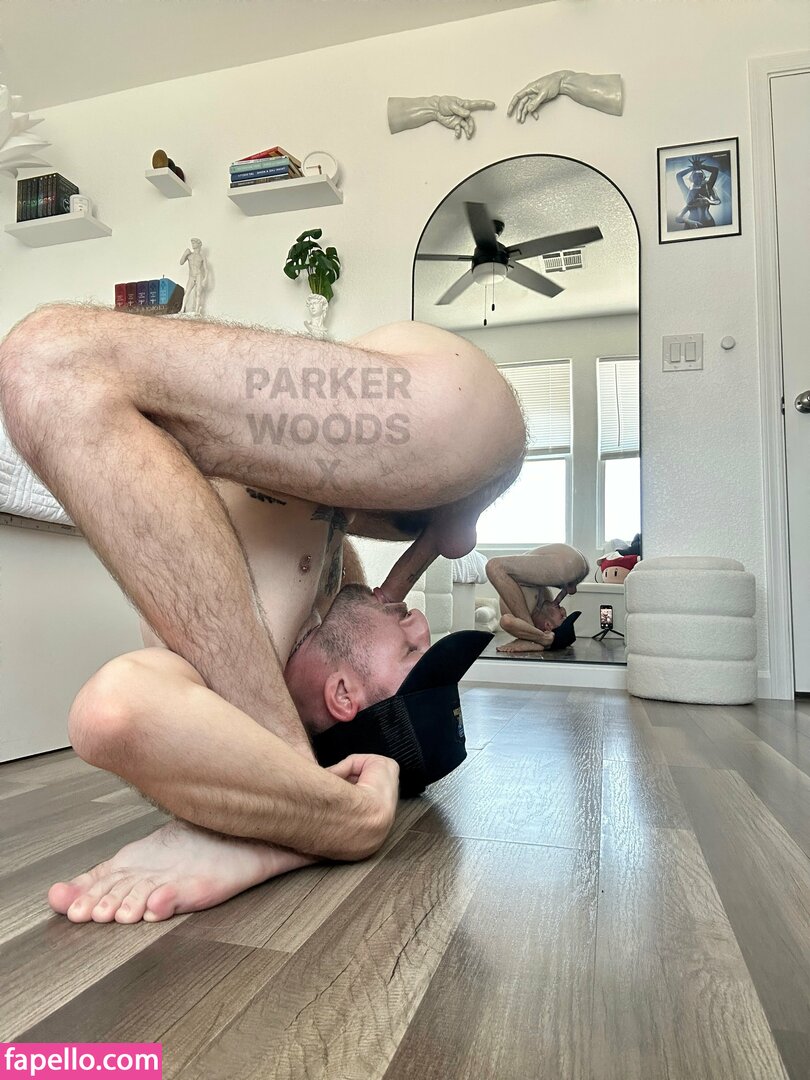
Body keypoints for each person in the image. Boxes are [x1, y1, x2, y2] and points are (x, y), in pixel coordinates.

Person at [0, 306, 526, 922]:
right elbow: (444, 542)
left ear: (342, 695)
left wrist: (302, 786)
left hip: (448, 418)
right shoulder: (332, 595)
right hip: (449, 430)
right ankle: (297, 817)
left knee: (49, 362)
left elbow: (110, 710)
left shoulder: (234, 656)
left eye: (412, 651)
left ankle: (329, 820)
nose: (417, 621)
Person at [485, 543, 589, 654]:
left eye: (562, 616)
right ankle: (533, 639)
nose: (563, 609)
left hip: (571, 563)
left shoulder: (521, 612)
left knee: (494, 567)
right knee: (496, 567)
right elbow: (570, 589)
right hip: (572, 563)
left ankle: (537, 640)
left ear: (548, 626)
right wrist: (569, 586)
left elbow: (506, 621)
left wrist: (539, 637)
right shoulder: (545, 600)